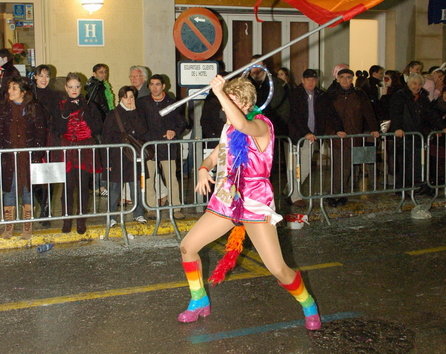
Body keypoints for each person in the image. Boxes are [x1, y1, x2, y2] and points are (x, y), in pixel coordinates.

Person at [177, 75, 321, 330]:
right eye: (225, 102)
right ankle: (199, 300)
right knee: (188, 247)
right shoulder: (229, 128)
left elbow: (243, 124)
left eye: (230, 102)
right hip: (226, 199)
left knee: (278, 269)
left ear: (244, 103)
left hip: (254, 202)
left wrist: (219, 92)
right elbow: (215, 155)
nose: (224, 108)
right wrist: (202, 168)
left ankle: (308, 303)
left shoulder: (262, 126)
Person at [0, 77, 47, 240]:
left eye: (14, 88)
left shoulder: (34, 108)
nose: (10, 91)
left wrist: (36, 155)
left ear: (23, 92)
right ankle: (9, 225)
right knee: (9, 191)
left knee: (27, 191)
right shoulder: (3, 108)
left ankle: (27, 225)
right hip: (8, 158)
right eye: (9, 88)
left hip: (27, 158)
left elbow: (40, 133)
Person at [52, 72, 103, 234]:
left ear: (81, 88)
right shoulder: (60, 106)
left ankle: (81, 220)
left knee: (82, 187)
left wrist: (87, 114)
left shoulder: (90, 105)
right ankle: (67, 220)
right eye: (71, 87)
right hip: (67, 148)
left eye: (77, 86)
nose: (74, 90)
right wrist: (66, 113)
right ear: (66, 88)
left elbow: (97, 129)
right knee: (67, 187)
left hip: (85, 148)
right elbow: (58, 130)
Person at [322, 67, 379, 205]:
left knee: (347, 167)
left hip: (353, 134)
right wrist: (332, 132)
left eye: (348, 77)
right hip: (336, 136)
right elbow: (328, 115)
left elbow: (368, 112)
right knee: (338, 166)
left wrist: (374, 128)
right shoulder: (332, 94)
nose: (345, 80)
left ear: (352, 79)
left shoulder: (359, 94)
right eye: (342, 77)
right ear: (337, 79)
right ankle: (334, 193)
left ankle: (340, 192)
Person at [389, 73, 446, 196]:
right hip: (404, 135)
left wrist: (442, 126)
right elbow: (395, 113)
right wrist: (397, 128)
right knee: (406, 163)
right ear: (408, 84)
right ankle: (402, 188)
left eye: (419, 84)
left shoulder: (422, 97)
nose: (417, 86)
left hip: (417, 135)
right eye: (414, 83)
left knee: (418, 162)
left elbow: (430, 114)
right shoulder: (400, 96)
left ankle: (418, 185)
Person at [137, 74, 187, 219]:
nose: (154, 87)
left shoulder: (172, 103)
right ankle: (151, 208)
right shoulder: (142, 103)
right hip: (148, 146)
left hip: (167, 146)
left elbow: (182, 122)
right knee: (148, 179)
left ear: (163, 86)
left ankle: (176, 208)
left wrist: (174, 131)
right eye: (152, 84)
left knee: (171, 179)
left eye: (157, 84)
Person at [102, 86, 148, 225]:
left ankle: (138, 213)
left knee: (136, 186)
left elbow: (142, 130)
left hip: (133, 155)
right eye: (126, 97)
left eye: (132, 97)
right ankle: (111, 216)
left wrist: (134, 113)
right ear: (120, 98)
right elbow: (106, 139)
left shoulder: (138, 112)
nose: (129, 100)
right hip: (117, 156)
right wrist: (107, 162)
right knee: (114, 188)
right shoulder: (113, 114)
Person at [287, 69, 328, 206]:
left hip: (311, 137)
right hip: (295, 137)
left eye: (313, 80)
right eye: (308, 79)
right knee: (293, 167)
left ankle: (289, 191)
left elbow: (327, 114)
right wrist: (305, 132)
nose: (311, 82)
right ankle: (295, 196)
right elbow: (295, 116)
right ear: (302, 80)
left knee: (305, 168)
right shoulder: (294, 95)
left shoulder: (321, 95)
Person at [31, 65, 62, 227]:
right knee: (34, 176)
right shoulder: (29, 94)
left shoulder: (55, 96)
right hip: (33, 138)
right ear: (35, 77)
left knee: (49, 176)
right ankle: (42, 205)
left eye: (47, 76)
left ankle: (45, 209)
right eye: (41, 75)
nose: (44, 79)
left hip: (50, 138)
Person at [248, 56, 289, 136]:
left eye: (258, 65)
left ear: (264, 66)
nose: (256, 69)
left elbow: (282, 108)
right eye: (253, 66)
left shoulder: (275, 84)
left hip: (273, 129)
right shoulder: (246, 84)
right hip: (252, 128)